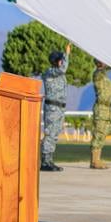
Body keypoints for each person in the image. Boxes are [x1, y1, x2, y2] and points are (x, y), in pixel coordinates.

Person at [42, 43, 71, 171]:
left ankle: (50, 160)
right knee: (50, 134)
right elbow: (63, 69)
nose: (62, 62)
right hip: (53, 108)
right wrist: (67, 54)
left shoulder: (58, 74)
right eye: (61, 60)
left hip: (59, 108)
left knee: (55, 134)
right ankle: (45, 161)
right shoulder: (50, 72)